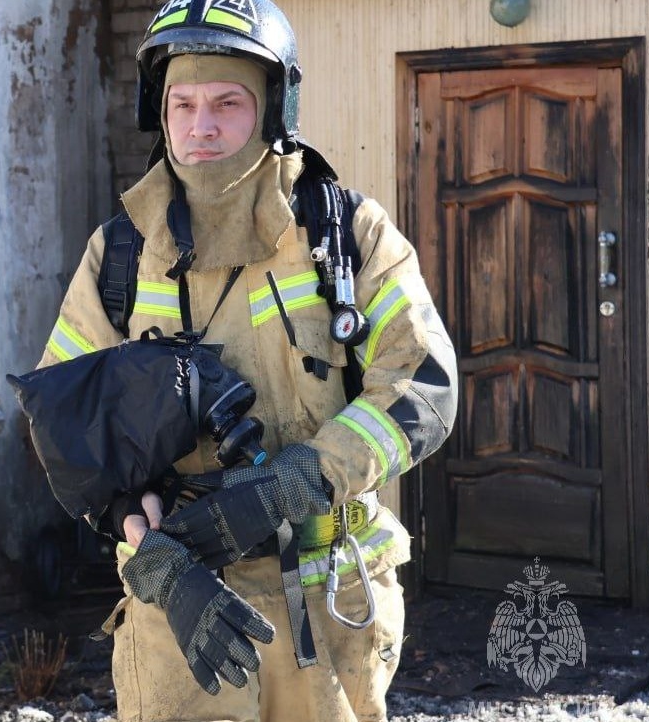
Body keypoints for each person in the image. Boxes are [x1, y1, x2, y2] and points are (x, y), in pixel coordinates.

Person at [33, 1, 459, 720]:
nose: (202, 127)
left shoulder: (345, 232)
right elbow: (71, 435)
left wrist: (299, 481)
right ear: (158, 111)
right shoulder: (120, 253)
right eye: (184, 103)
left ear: (272, 108)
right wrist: (158, 564)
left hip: (330, 606)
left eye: (227, 103)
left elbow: (423, 386)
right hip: (185, 616)